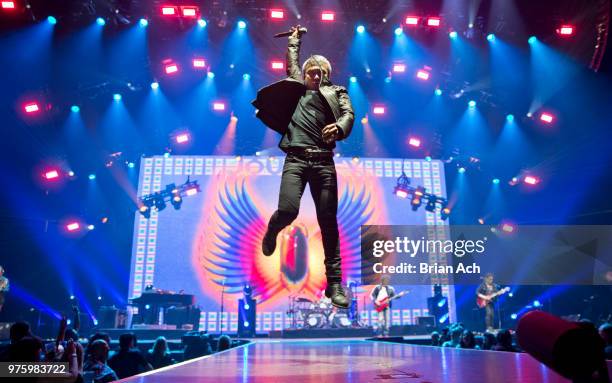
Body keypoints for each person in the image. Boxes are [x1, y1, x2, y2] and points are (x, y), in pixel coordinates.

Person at [255, 25, 355, 309]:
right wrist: (295, 41)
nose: (314, 73)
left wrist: (339, 126)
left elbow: (349, 114)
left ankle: (334, 284)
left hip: (323, 161)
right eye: (310, 69)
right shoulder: (297, 89)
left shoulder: (337, 92)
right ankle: (273, 230)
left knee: (328, 221)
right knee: (288, 209)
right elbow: (292, 64)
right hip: (296, 159)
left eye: (319, 71)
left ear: (326, 74)